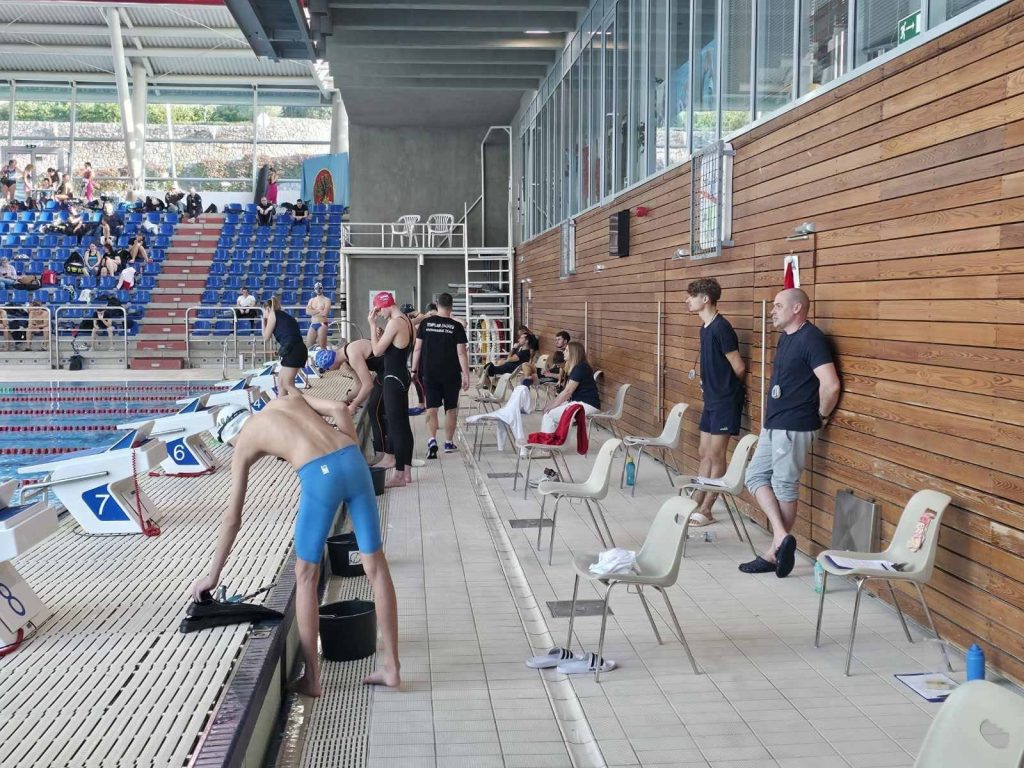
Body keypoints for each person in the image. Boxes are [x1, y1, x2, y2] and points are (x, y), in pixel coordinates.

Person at [192, 395, 401, 696]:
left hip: (320, 477)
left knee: (305, 575)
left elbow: (232, 519)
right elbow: (339, 409)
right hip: (352, 458)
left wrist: (212, 577)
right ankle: (392, 668)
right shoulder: (283, 401)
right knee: (376, 567)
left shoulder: (245, 441)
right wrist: (348, 456)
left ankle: (312, 678)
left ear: (229, 437)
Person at [741, 288, 841, 578]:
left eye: (778, 305)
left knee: (784, 486)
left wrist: (821, 415)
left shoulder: (812, 338)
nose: (772, 311)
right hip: (774, 422)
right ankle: (782, 537)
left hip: (795, 424)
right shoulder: (786, 337)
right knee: (754, 476)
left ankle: (773, 553)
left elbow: (831, 385)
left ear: (797, 308)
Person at [685, 277, 746, 527]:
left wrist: (725, 388)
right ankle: (696, 500)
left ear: (705, 299)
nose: (687, 300)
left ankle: (707, 509)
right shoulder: (705, 328)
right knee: (704, 452)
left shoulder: (722, 328)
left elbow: (739, 367)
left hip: (724, 401)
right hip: (711, 399)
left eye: (692, 296)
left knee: (716, 454)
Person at [412, 292, 470, 458]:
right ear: (451, 307)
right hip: (451, 374)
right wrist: (466, 375)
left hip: (430, 373)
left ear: (437, 305)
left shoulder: (425, 323)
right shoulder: (456, 326)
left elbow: (417, 348)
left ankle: (432, 440)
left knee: (431, 409)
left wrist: (414, 370)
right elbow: (461, 353)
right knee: (451, 409)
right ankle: (448, 443)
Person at [313, 340, 390, 465]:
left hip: (390, 369)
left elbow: (368, 385)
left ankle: (381, 454)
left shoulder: (353, 355)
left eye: (327, 369)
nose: (329, 371)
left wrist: (354, 404)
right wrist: (346, 400)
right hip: (383, 371)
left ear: (331, 363)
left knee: (374, 410)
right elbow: (359, 384)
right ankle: (385, 450)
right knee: (377, 409)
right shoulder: (346, 360)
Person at [368, 291, 415, 488]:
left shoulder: (395, 323)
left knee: (396, 427)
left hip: (393, 379)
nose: (379, 314)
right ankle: (407, 473)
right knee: (404, 425)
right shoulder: (407, 321)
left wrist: (372, 326)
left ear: (386, 305)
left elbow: (377, 351)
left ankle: (398, 475)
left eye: (379, 310)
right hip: (402, 375)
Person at [541, 341, 601, 433]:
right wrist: (552, 404)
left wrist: (551, 406)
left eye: (567, 350)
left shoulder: (580, 368)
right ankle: (553, 439)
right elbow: (566, 391)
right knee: (550, 411)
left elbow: (568, 392)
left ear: (573, 353)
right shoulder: (578, 367)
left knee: (549, 414)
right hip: (579, 402)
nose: (563, 352)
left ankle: (547, 440)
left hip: (587, 404)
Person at [262, 296, 306, 398]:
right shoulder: (284, 315)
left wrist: (263, 321)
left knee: (287, 384)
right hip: (296, 349)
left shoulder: (272, 314)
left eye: (263, 311)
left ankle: (309, 404)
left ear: (267, 309)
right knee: (281, 382)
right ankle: (283, 405)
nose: (264, 314)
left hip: (293, 350)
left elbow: (266, 337)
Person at [305, 282, 330, 349]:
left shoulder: (326, 300)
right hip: (313, 324)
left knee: (322, 346)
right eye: (316, 288)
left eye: (320, 288)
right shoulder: (312, 300)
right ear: (314, 289)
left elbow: (325, 313)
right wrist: (319, 310)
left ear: (322, 289)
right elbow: (307, 312)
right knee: (308, 346)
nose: (318, 290)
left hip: (322, 324)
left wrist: (313, 311)